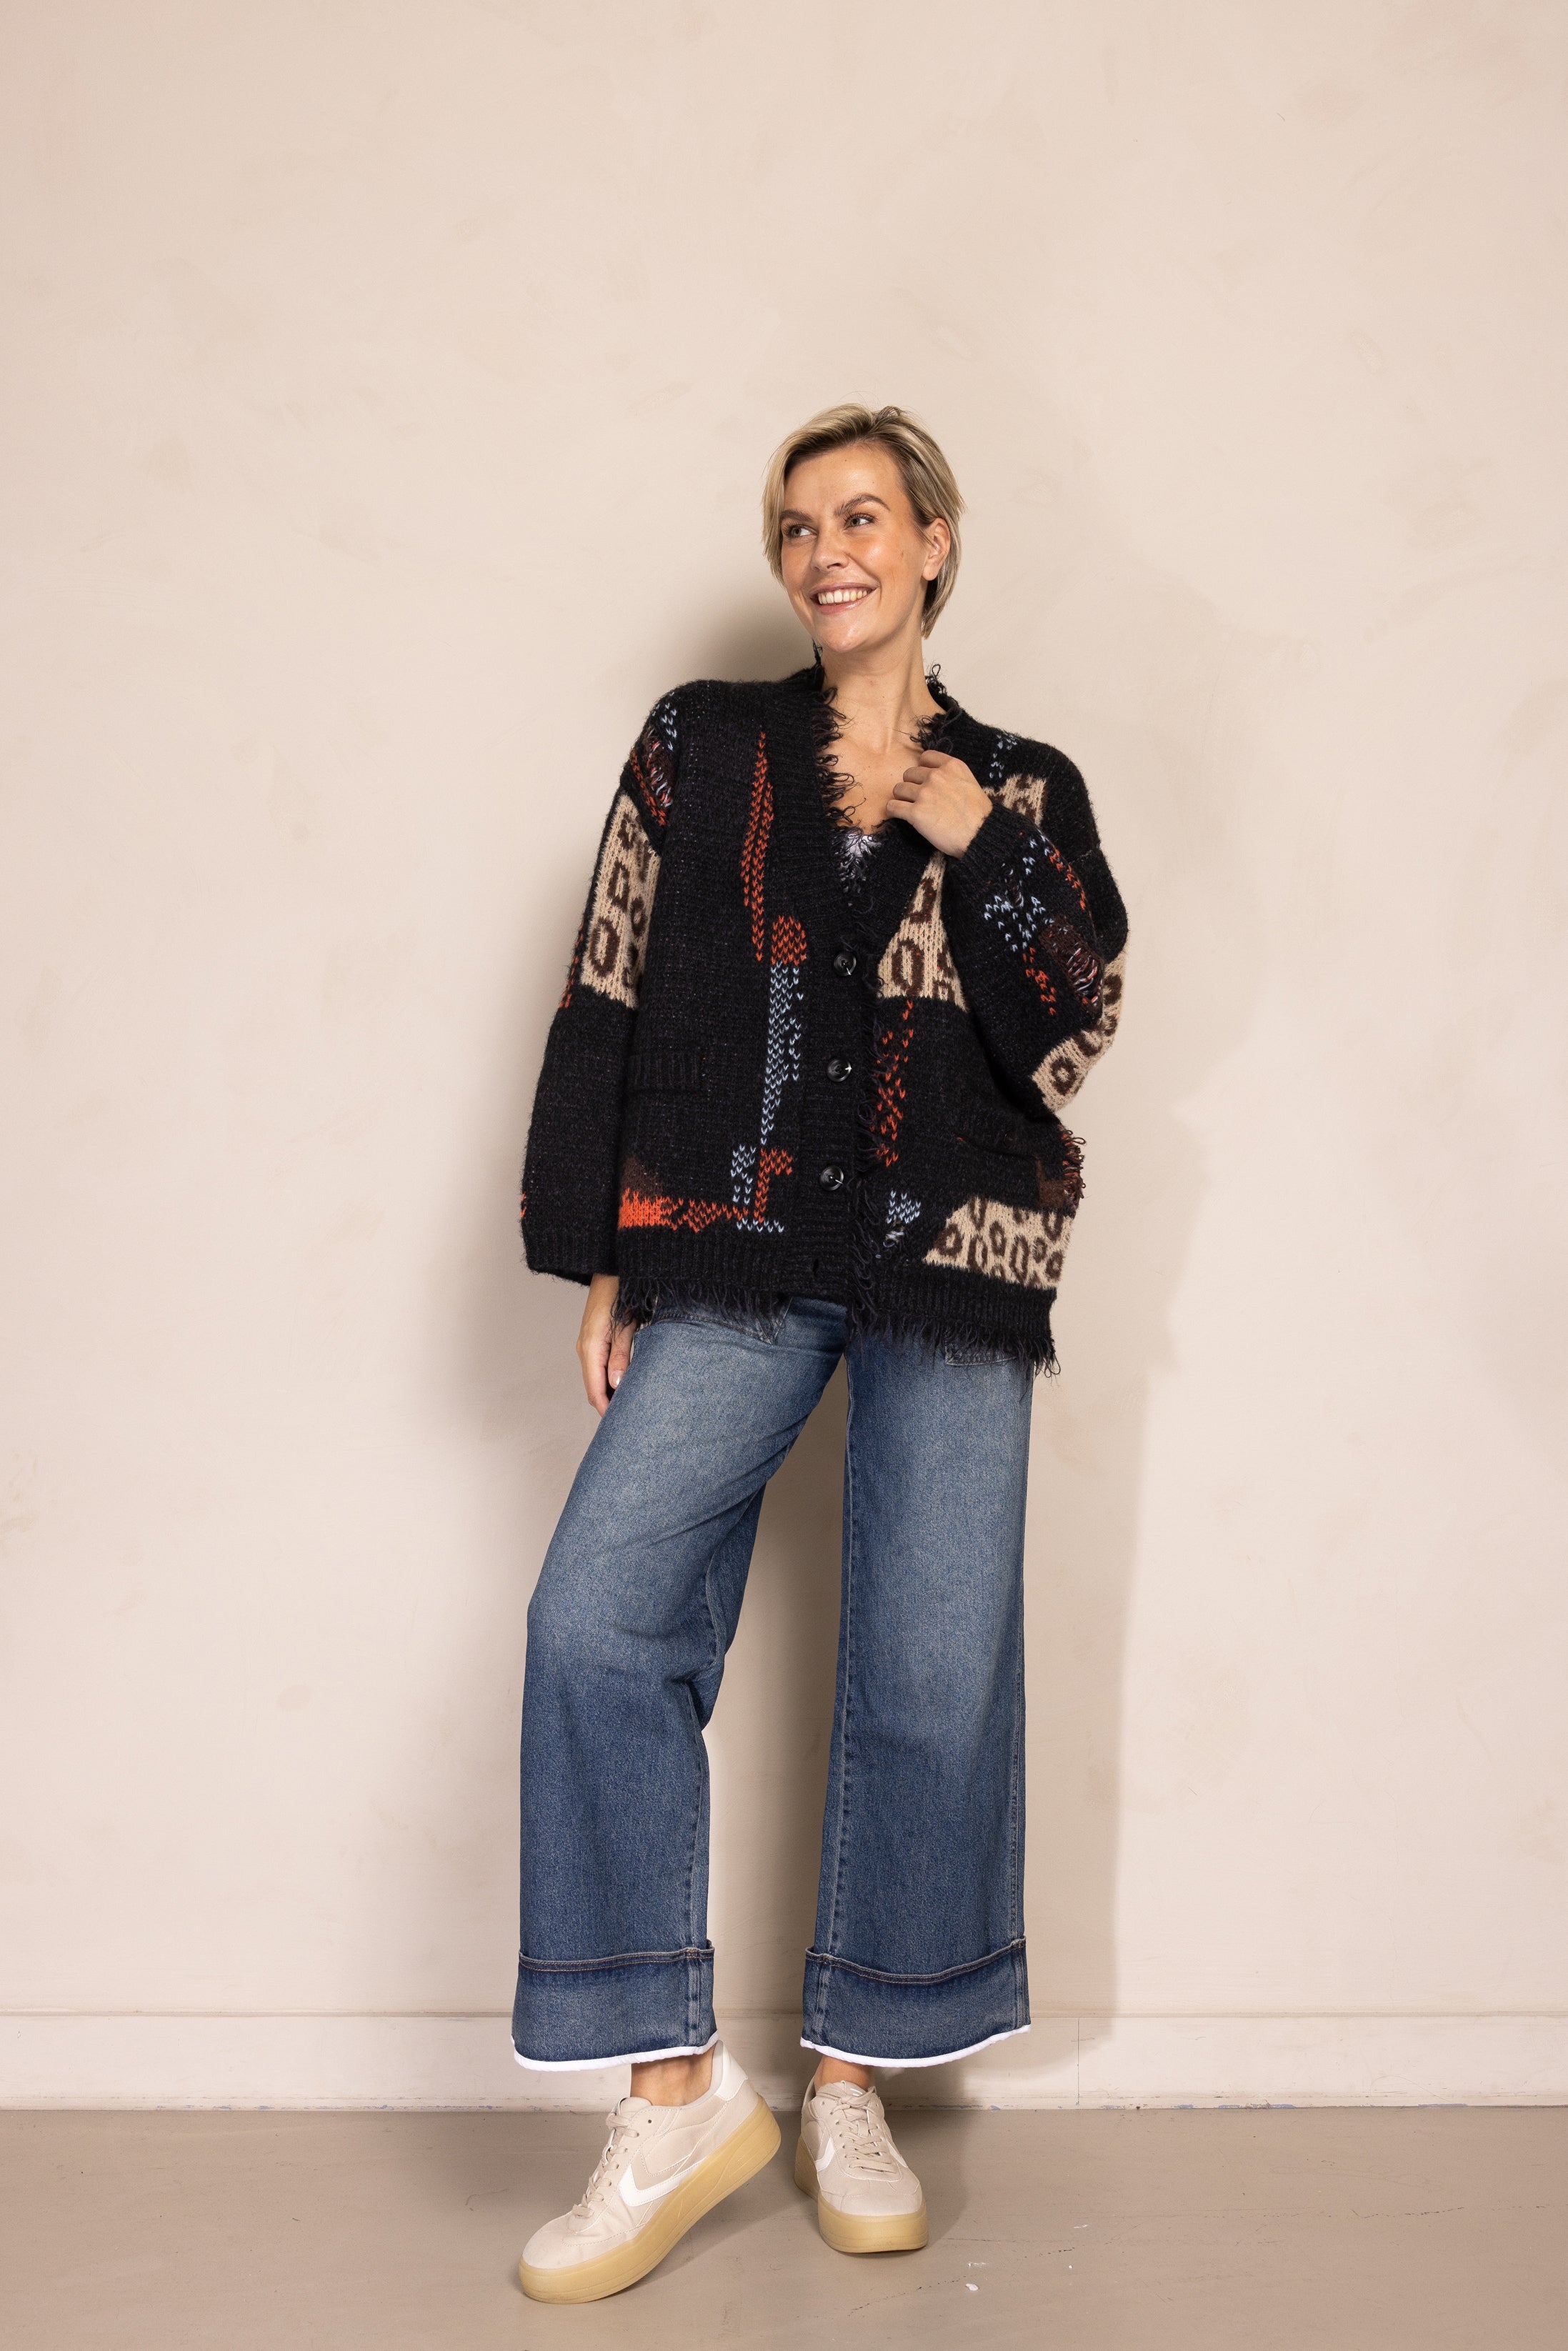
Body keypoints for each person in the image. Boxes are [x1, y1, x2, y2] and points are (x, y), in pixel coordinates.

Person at [511, 404, 1128, 2303]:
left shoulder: (1023, 786)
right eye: (797, 526)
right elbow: (608, 987)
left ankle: (851, 2080)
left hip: (956, 1253)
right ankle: (675, 2096)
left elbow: (1072, 1027)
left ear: (933, 539)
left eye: (861, 515)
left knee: (928, 1672)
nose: (825, 551)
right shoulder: (702, 748)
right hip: (733, 1242)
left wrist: (977, 844)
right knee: (597, 1617)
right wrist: (600, 1248)